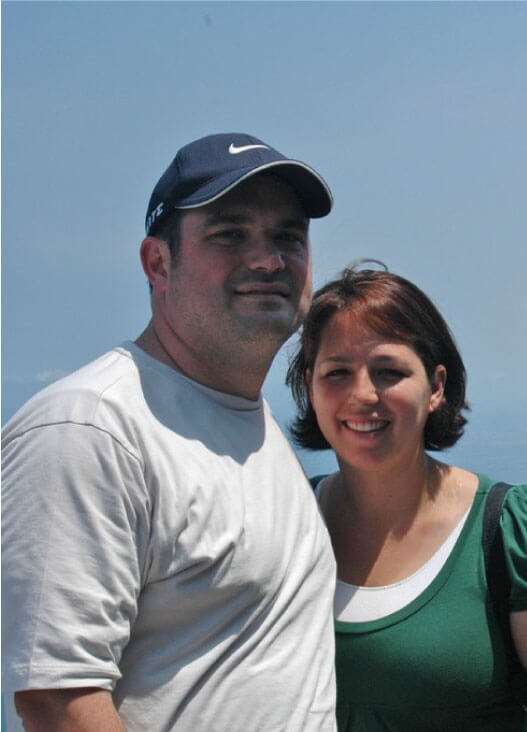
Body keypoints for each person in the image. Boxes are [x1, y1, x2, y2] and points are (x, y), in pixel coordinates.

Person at [2, 133, 339, 731]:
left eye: (288, 236)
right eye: (229, 234)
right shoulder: (92, 428)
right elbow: (59, 701)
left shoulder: (250, 423)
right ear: (158, 263)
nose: (267, 260)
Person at [286, 264, 527, 731]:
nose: (362, 394)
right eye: (337, 372)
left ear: (436, 387)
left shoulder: (512, 531)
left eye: (388, 371)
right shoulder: (290, 517)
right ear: (310, 388)